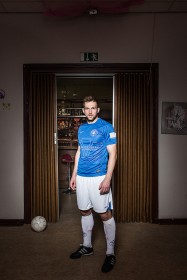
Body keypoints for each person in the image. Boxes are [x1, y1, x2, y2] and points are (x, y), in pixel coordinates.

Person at [69, 95, 117, 273]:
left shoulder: (106, 127)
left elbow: (113, 154)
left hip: (99, 177)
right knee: (84, 210)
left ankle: (110, 252)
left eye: (93, 108)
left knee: (105, 214)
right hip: (82, 177)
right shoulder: (81, 128)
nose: (90, 111)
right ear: (83, 110)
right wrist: (74, 175)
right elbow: (79, 152)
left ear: (98, 110)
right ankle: (87, 246)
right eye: (87, 108)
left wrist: (108, 178)